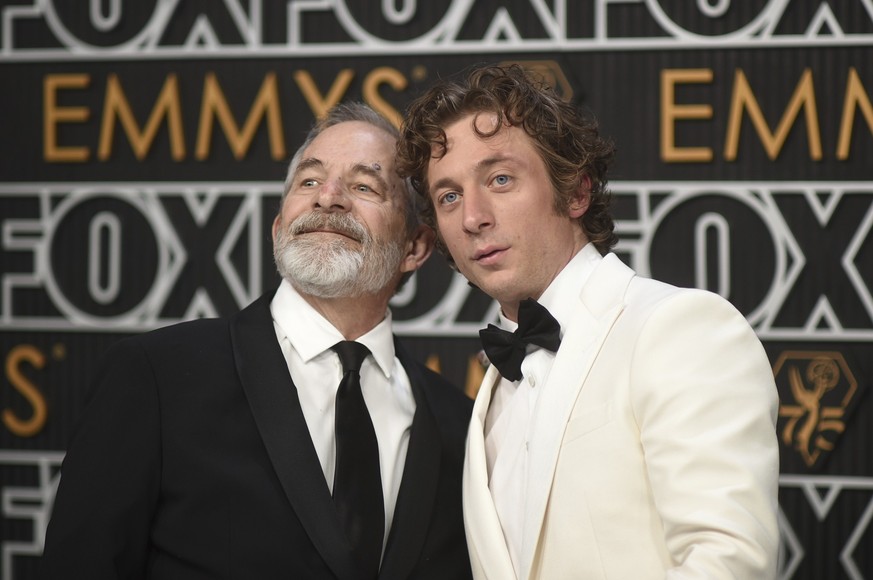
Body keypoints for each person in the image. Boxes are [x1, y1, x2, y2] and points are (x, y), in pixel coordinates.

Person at [40, 103, 474, 580]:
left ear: (415, 247)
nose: (327, 198)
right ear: (278, 226)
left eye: (364, 186)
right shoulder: (156, 376)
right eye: (308, 181)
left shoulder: (460, 424)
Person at [396, 64, 780, 579]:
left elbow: (730, 563)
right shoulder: (490, 390)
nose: (473, 216)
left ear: (576, 192)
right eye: (449, 196)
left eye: (501, 178)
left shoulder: (677, 328)